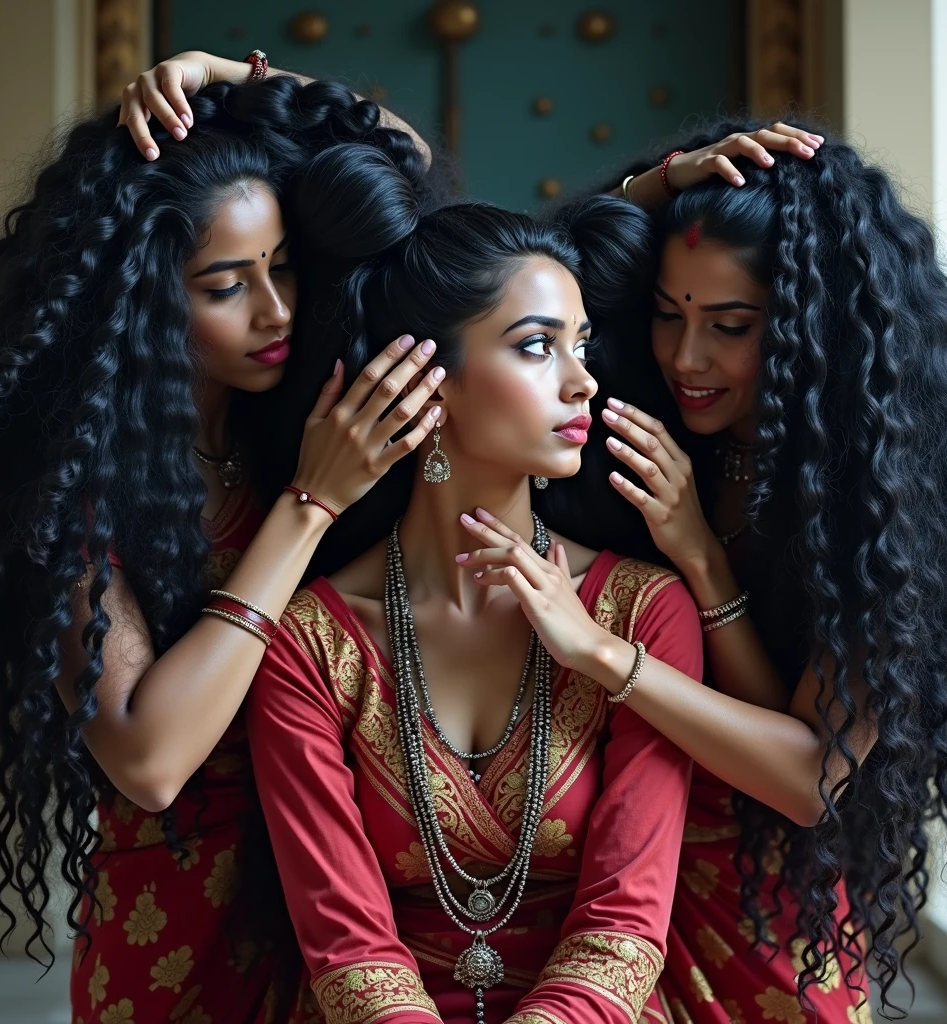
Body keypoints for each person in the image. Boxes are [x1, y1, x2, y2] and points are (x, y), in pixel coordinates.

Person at [0, 75, 443, 1024]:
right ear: (137, 302)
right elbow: (148, 756)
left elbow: (403, 160)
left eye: (284, 267)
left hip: (352, 895)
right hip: (179, 923)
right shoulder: (73, 489)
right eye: (227, 285)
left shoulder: (289, 417)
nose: (276, 310)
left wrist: (229, 78)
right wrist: (310, 505)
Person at [498, 123, 947, 1022]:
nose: (686, 359)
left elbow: (805, 775)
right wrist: (661, 183)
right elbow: (526, 285)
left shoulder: (876, 497)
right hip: (604, 869)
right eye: (667, 314)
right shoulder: (638, 419)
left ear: (814, 328)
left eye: (730, 327)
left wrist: (638, 620)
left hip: (765, 891)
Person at [242, 142, 703, 1024]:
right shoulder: (311, 639)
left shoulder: (642, 610)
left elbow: (626, 921)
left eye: (582, 344)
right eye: (537, 348)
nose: (583, 380)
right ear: (430, 384)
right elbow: (346, 943)